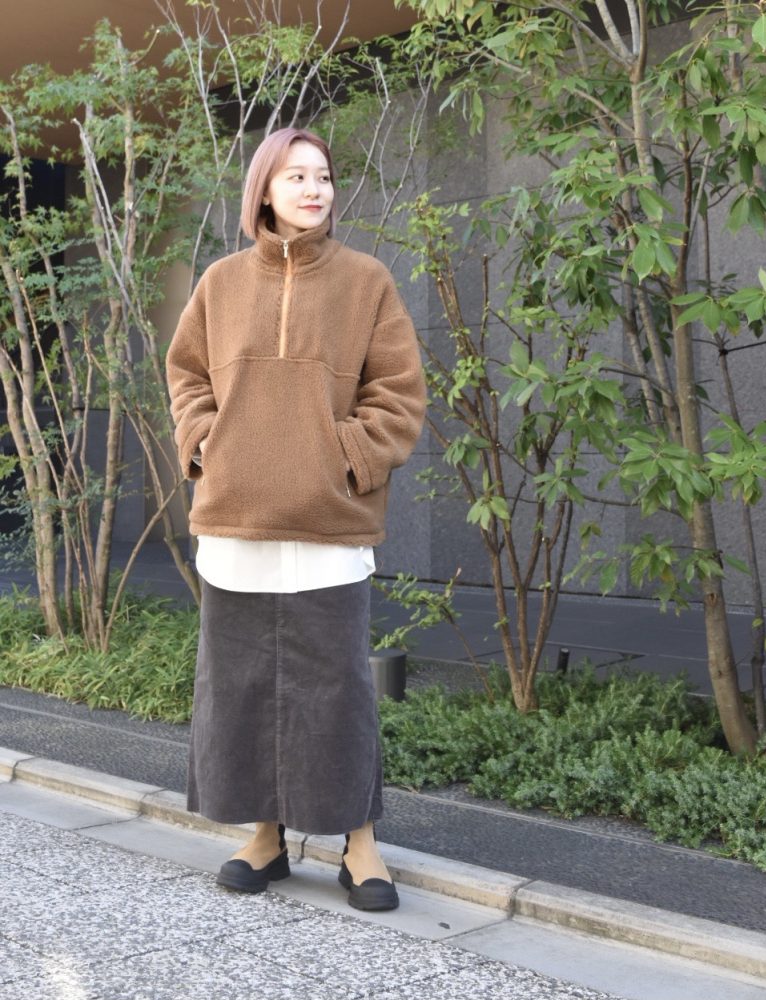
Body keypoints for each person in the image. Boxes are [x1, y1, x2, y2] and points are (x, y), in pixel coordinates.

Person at [165, 127, 426, 912]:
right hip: (235, 521)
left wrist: (344, 457)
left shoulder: (367, 281)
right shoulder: (220, 282)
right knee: (245, 685)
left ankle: (360, 843)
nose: (314, 189)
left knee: (336, 688)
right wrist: (205, 442)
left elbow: (399, 395)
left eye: (323, 176)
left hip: (328, 523)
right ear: (264, 191)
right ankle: (266, 836)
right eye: (296, 176)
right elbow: (186, 375)